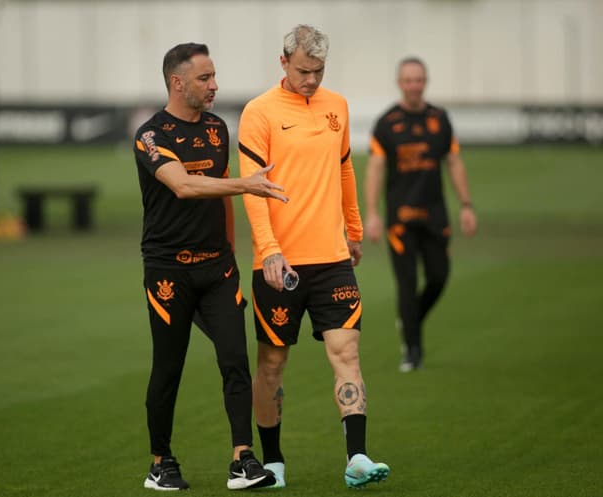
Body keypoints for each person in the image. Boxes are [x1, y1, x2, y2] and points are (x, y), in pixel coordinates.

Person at [238, 25, 390, 489]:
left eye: (319, 71)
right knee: (271, 363)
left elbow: (344, 169)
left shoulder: (336, 106)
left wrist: (355, 230)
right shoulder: (259, 112)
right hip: (279, 262)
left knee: (347, 352)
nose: (311, 80)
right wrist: (268, 251)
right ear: (283, 62)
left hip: (332, 257)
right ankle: (275, 462)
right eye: (304, 70)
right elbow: (253, 189)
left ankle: (357, 458)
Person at [133, 42, 287, 491]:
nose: (214, 85)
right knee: (168, 367)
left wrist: (233, 260)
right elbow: (182, 185)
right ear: (177, 83)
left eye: (214, 76)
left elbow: (220, 199)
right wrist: (247, 185)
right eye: (204, 78)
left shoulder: (219, 129)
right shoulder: (150, 135)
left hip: (218, 269)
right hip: (169, 273)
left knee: (236, 361)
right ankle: (161, 461)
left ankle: (243, 458)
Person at [364, 56, 478, 372]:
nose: (414, 85)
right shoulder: (387, 123)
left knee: (439, 276)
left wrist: (466, 205)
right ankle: (412, 351)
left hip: (435, 216)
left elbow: (454, 162)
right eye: (408, 80)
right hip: (400, 220)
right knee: (407, 282)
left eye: (419, 80)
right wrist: (372, 213)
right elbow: (374, 168)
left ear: (425, 82)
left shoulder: (440, 119)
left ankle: (410, 319)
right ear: (400, 83)